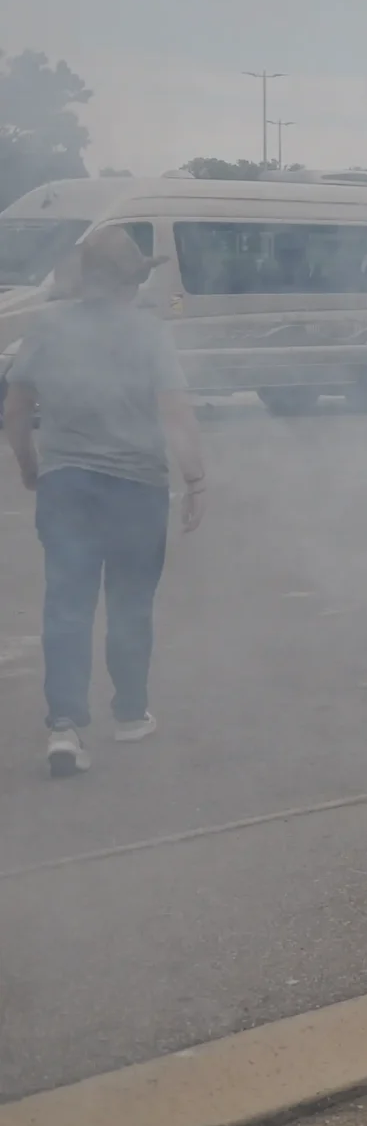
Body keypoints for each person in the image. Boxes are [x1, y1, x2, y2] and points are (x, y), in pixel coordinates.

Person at [3, 227, 205, 777]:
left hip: (66, 485)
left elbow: (16, 409)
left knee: (67, 604)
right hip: (136, 487)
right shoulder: (148, 334)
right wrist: (195, 480)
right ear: (131, 281)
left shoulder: (46, 327)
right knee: (130, 603)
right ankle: (131, 712)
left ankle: (66, 726)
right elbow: (175, 412)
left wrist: (29, 466)